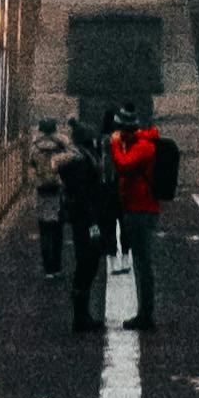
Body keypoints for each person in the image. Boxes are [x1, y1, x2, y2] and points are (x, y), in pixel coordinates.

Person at [106, 108, 180, 334]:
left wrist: (115, 146)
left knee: (143, 263)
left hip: (141, 209)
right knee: (141, 262)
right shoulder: (140, 144)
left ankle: (145, 314)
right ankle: (144, 312)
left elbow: (124, 165)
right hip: (137, 208)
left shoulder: (143, 147)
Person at [56, 108, 117, 338]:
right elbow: (84, 196)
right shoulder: (81, 163)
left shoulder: (80, 159)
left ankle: (82, 313)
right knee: (87, 263)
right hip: (86, 220)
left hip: (84, 218)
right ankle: (81, 316)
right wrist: (93, 224)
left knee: (87, 263)